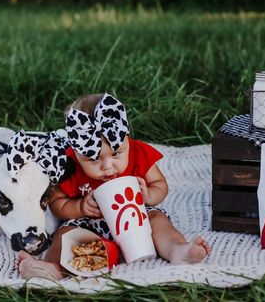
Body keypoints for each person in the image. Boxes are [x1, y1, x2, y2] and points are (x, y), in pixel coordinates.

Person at [16, 93, 211, 280]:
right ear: (76, 153)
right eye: (93, 159)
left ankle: (177, 249)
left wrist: (148, 195)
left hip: (136, 217)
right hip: (89, 225)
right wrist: (80, 207)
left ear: (127, 139)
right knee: (66, 235)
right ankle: (55, 268)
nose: (108, 166)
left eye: (116, 153)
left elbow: (160, 185)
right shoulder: (68, 164)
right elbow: (56, 203)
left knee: (158, 219)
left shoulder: (138, 152)